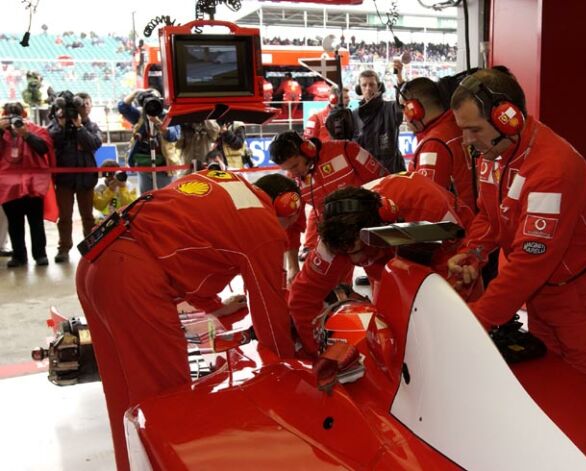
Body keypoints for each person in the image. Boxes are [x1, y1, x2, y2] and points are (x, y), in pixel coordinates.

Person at [76, 170, 303, 471]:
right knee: (168, 402)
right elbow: (269, 310)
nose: (286, 236)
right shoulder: (263, 223)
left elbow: (180, 245)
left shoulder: (220, 182)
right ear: (286, 205)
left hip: (96, 262)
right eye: (290, 226)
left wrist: (218, 308)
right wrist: (287, 369)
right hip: (132, 276)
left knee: (123, 394)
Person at [447, 68, 586, 401]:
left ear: (508, 119)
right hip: (542, 296)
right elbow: (489, 216)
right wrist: (474, 252)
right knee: (553, 394)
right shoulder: (492, 156)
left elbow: (532, 260)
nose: (467, 141)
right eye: (463, 130)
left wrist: (479, 319)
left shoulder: (553, 168)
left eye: (474, 129)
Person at [288, 172, 475, 355]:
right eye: (347, 253)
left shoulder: (426, 206)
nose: (354, 261)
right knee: (387, 334)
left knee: (457, 325)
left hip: (450, 247)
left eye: (358, 251)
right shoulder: (335, 239)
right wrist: (320, 352)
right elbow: (302, 298)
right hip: (385, 261)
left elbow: (465, 256)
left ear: (382, 225)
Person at [269, 130, 386, 281]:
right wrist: (292, 266)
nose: (294, 172)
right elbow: (292, 224)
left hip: (369, 229)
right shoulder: (293, 181)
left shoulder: (346, 149)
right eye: (288, 169)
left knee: (381, 279)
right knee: (337, 285)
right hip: (335, 237)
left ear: (307, 149)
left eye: (295, 165)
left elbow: (383, 182)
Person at [398, 77, 477, 211]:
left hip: (455, 225)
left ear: (414, 110)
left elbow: (426, 203)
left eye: (403, 107)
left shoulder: (434, 145)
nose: (403, 114)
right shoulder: (457, 127)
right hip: (470, 218)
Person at [47, 91, 102, 263]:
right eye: (81, 104)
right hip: (65, 180)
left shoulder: (91, 126)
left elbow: (94, 143)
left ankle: (93, 246)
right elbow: (52, 141)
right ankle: (64, 248)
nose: (84, 107)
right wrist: (63, 127)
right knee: (64, 217)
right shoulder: (57, 126)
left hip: (86, 178)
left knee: (88, 217)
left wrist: (79, 127)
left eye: (87, 104)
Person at [0, 102, 53, 267]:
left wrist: (26, 134)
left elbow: (44, 148)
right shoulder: (2, 133)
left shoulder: (36, 129)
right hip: (9, 187)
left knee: (36, 222)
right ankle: (19, 256)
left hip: (33, 185)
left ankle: (40, 255)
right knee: (14, 224)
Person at [117, 88, 180, 194]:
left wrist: (158, 124)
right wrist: (136, 92)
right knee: (145, 199)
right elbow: (122, 107)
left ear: (160, 101)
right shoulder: (140, 116)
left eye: (153, 100)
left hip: (164, 167)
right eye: (147, 101)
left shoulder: (168, 115)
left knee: (164, 198)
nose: (151, 105)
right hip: (144, 166)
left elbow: (173, 136)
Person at [352, 69, 405, 173]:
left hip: (391, 173)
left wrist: (399, 78)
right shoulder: (354, 115)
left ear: (379, 86)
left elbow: (402, 101)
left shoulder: (391, 108)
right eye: (364, 85)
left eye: (372, 84)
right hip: (366, 175)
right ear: (359, 89)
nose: (368, 88)